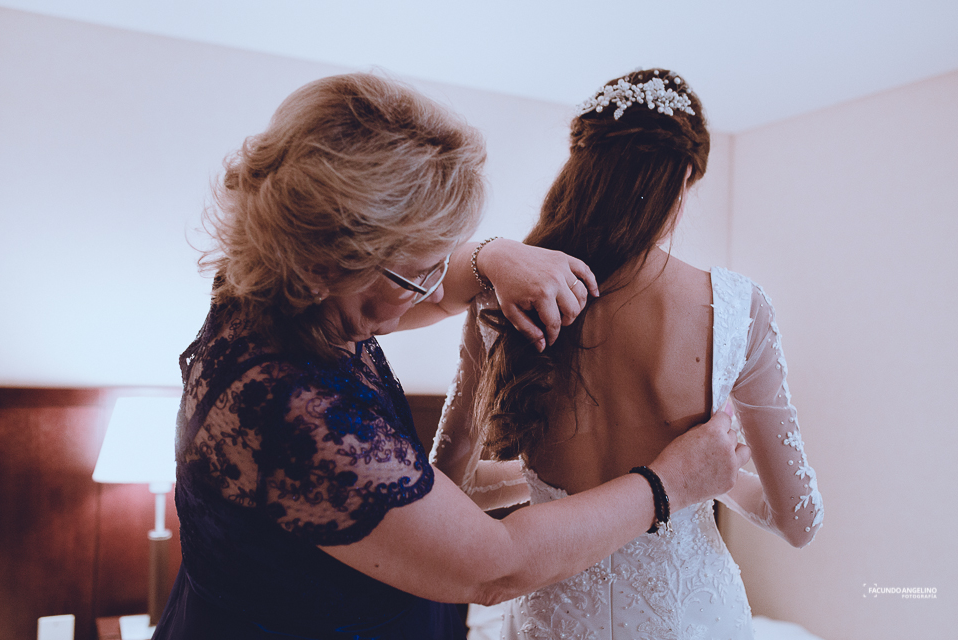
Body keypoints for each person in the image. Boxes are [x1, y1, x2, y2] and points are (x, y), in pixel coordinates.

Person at [151, 72, 749, 640]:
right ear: (332, 262)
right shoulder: (298, 416)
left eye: (441, 261)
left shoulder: (264, 288)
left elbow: (442, 291)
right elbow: (496, 566)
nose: (436, 290)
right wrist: (669, 483)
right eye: (418, 272)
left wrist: (493, 255)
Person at [431, 68, 824, 639]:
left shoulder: (504, 299)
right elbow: (799, 519)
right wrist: (708, 474)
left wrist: (543, 481)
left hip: (553, 623)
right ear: (683, 175)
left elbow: (449, 490)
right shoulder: (738, 309)